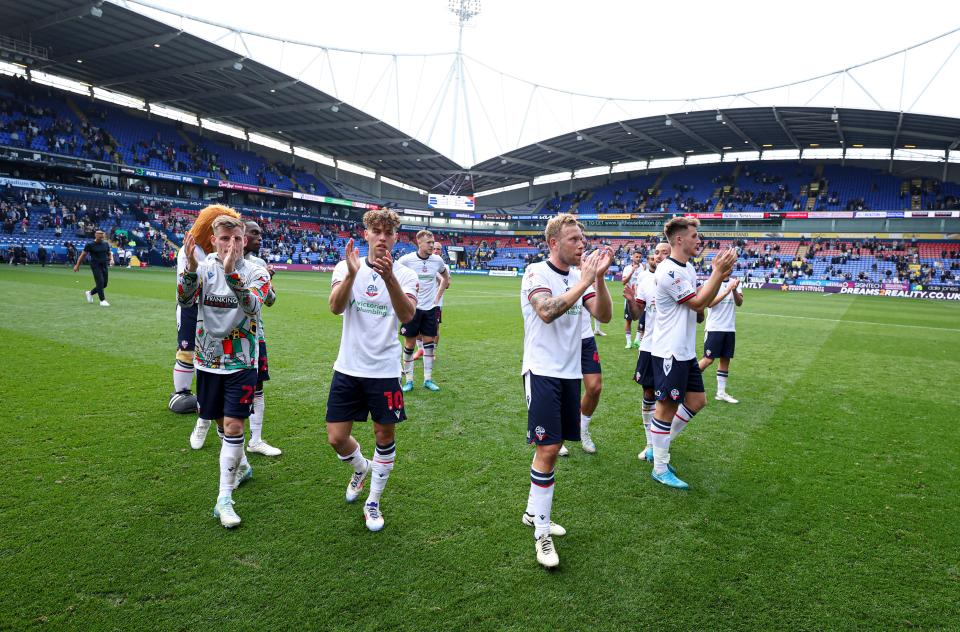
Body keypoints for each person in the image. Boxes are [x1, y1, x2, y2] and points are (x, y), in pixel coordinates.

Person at [520, 213, 612, 568]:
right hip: (542, 371)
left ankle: (533, 513)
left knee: (552, 447)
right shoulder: (536, 272)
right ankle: (541, 534)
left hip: (569, 374)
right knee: (548, 448)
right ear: (553, 243)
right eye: (574, 239)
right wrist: (585, 280)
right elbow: (546, 311)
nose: (581, 244)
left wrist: (597, 279)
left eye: (582, 239)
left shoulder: (579, 277)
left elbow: (603, 315)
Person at [326, 209, 418, 532]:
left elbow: (407, 316)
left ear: (395, 238)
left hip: (384, 370)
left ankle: (373, 501)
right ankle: (361, 467)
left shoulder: (405, 274)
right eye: (376, 231)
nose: (382, 237)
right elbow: (335, 307)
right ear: (365, 234)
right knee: (337, 438)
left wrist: (389, 278)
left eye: (388, 233)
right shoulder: (345, 266)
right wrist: (352, 275)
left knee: (384, 435)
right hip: (348, 367)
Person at [177, 216, 271, 528]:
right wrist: (190, 270)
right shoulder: (203, 268)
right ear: (214, 241)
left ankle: (224, 499)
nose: (231, 245)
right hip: (207, 360)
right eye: (225, 239)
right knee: (221, 423)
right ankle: (242, 466)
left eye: (237, 238)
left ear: (244, 239)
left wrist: (231, 275)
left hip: (242, 361)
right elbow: (185, 300)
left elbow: (254, 306)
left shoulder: (257, 271)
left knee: (233, 426)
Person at [649, 217, 737, 490]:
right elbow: (699, 302)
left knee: (697, 401)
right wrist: (718, 273)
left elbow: (700, 306)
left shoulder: (686, 268)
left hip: (685, 351)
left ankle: (659, 448)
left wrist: (716, 277)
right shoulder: (668, 271)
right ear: (679, 239)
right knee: (666, 407)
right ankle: (659, 466)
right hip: (669, 351)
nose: (699, 240)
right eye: (695, 236)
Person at [173, 205, 241, 415]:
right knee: (187, 349)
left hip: (212, 308)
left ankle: (212, 392)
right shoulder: (192, 251)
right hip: (191, 307)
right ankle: (181, 392)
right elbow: (192, 282)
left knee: (211, 349)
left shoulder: (211, 253)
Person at [630, 244, 671, 462]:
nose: (659, 256)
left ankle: (662, 441)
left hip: (670, 348)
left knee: (667, 398)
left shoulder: (679, 278)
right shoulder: (645, 280)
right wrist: (631, 301)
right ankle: (650, 444)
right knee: (648, 393)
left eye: (665, 252)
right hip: (648, 346)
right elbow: (637, 314)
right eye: (656, 252)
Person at [397, 230, 449, 392]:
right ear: (419, 243)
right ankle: (409, 381)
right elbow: (393, 276)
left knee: (429, 345)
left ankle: (428, 379)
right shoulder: (406, 260)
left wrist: (437, 297)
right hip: (412, 309)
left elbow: (445, 278)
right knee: (410, 344)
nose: (432, 245)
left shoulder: (437, 260)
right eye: (429, 243)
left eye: (433, 242)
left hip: (430, 309)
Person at [698, 274, 743, 404]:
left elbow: (739, 303)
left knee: (725, 359)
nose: (729, 267)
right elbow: (709, 304)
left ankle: (721, 393)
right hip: (714, 328)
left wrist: (734, 290)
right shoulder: (711, 282)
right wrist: (727, 291)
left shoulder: (735, 282)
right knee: (708, 359)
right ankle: (686, 382)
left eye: (731, 265)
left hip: (729, 328)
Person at [74, 229, 113, 307]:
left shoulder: (105, 244)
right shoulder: (90, 245)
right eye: (100, 236)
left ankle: (90, 293)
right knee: (100, 282)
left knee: (104, 284)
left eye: (102, 236)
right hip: (95, 265)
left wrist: (111, 259)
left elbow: (109, 253)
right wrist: (77, 265)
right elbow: (82, 255)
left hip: (104, 265)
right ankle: (102, 300)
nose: (101, 237)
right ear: (96, 235)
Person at [621, 251, 644, 348]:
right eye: (636, 257)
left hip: (641, 297)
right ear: (632, 257)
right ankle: (628, 342)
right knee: (628, 319)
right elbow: (623, 282)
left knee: (642, 319)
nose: (638, 258)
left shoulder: (643, 268)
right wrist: (632, 271)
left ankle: (637, 340)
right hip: (630, 298)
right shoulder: (627, 268)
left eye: (640, 257)